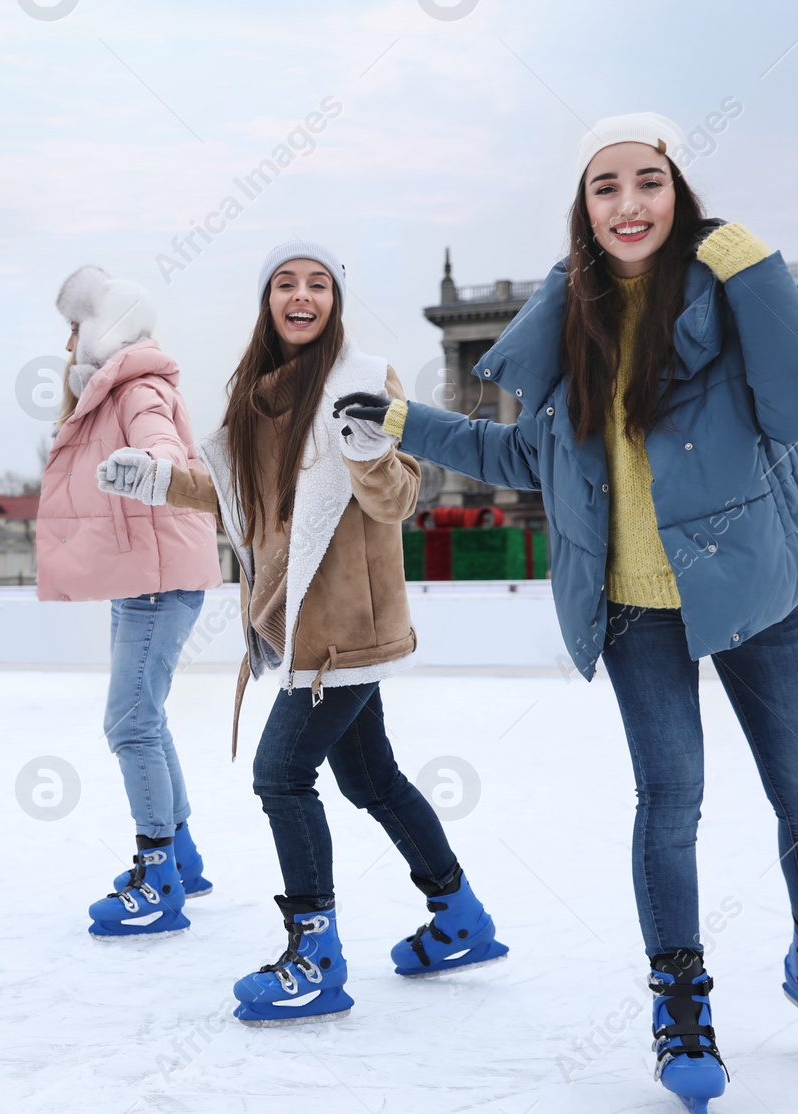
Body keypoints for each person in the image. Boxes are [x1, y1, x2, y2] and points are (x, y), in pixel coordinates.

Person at [337, 114, 798, 1114]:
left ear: (677, 192)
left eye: (648, 180)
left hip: (758, 594)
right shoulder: (569, 322)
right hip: (632, 606)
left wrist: (755, 265)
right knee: (669, 799)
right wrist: (398, 421)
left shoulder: (734, 293)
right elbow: (525, 460)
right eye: (605, 186)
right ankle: (679, 999)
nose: (628, 202)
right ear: (584, 208)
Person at [100, 242, 507, 1025]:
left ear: (334, 303)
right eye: (286, 283)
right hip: (300, 625)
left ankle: (314, 953)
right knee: (371, 780)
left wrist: (370, 457)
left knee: (281, 775)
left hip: (346, 629)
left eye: (317, 283)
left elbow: (398, 501)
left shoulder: (363, 381)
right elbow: (243, 507)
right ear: (268, 303)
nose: (302, 294)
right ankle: (460, 918)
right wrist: (156, 479)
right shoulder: (258, 398)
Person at [35, 265, 222, 939]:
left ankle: (157, 875)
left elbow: (163, 453)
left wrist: (155, 470)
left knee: (131, 722)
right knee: (145, 717)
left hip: (158, 576)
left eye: (74, 330)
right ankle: (183, 855)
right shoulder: (117, 389)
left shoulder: (138, 388)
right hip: (145, 574)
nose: (65, 347)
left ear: (99, 331)